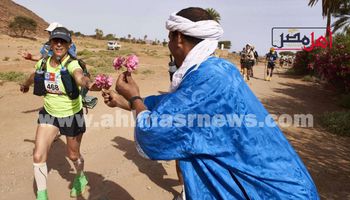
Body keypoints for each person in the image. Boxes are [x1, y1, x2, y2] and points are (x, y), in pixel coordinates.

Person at [103, 7, 319, 199]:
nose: (169, 45)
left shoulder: (209, 78)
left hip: (269, 192)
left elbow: (153, 132)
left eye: (169, 39)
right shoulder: (217, 69)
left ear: (178, 37)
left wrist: (134, 98)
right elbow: (171, 105)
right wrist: (124, 101)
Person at [20, 27, 100, 200]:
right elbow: (34, 76)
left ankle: (80, 177)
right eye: (55, 40)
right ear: (49, 43)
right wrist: (25, 85)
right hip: (50, 114)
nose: (58, 44)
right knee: (38, 155)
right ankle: (42, 196)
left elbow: (79, 76)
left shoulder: (72, 63)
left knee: (73, 155)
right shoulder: (43, 62)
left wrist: (88, 84)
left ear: (69, 45)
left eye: (62, 41)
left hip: (71, 115)